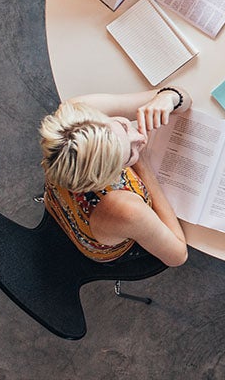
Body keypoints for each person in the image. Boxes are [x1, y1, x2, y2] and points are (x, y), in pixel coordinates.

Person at [39, 87, 191, 266]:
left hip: (59, 202)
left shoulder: (77, 113)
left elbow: (183, 97)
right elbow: (178, 256)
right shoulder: (126, 209)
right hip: (104, 244)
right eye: (129, 155)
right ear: (109, 177)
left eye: (123, 126)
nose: (140, 138)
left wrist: (169, 98)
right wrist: (143, 166)